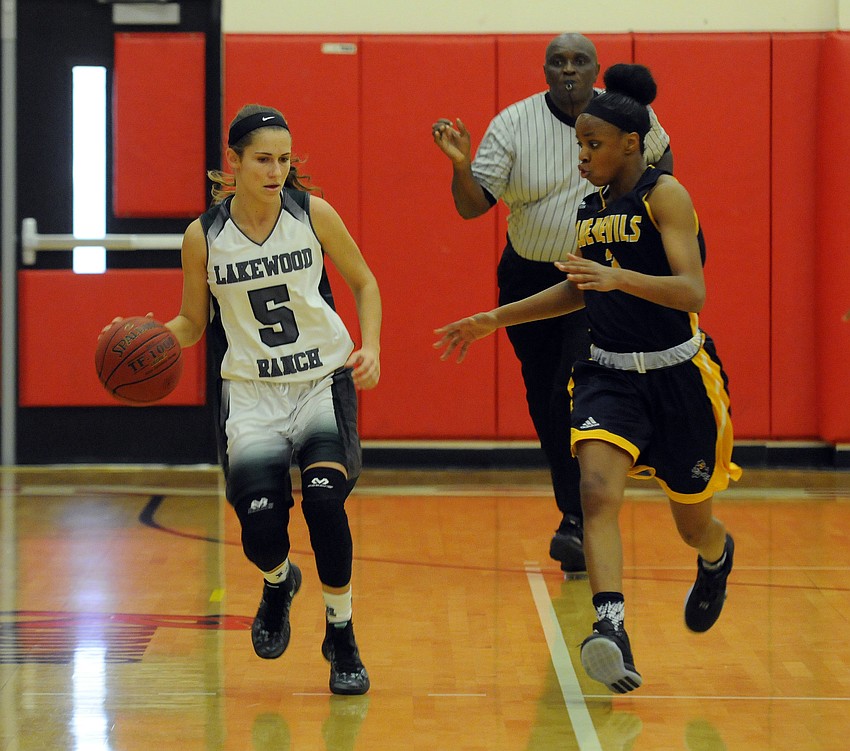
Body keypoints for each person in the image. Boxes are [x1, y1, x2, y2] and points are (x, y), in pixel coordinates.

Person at [434, 64, 739, 693]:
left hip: (679, 376)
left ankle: (715, 557)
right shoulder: (589, 207)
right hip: (608, 374)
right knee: (596, 494)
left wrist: (619, 279)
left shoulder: (665, 196)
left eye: (592, 145)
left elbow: (692, 291)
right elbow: (578, 289)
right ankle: (611, 627)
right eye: (577, 144)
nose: (582, 156)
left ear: (630, 144)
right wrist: (493, 317)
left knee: (692, 520)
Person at [106, 104, 381, 695]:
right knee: (261, 531)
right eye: (263, 159)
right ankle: (279, 582)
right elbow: (191, 321)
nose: (276, 169)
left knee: (327, 505)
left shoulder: (312, 214)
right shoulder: (203, 235)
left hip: (320, 382)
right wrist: (148, 335)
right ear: (232, 162)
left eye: (284, 159)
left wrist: (373, 346)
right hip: (251, 393)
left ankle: (344, 635)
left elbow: (364, 281)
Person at [431, 33, 673, 574]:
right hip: (528, 274)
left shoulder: (629, 116)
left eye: (579, 61)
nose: (569, 70)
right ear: (544, 71)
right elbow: (474, 208)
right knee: (545, 400)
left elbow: (663, 167)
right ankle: (575, 512)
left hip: (594, 276)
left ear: (596, 70)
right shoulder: (514, 124)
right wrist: (460, 165)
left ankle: (581, 519)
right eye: (558, 62)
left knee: (573, 386)